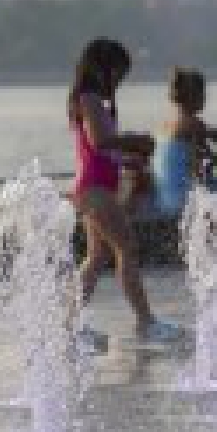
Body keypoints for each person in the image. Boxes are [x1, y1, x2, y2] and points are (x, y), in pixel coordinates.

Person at [69, 38, 179, 351]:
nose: (120, 79)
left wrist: (128, 159)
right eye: (118, 71)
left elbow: (100, 151)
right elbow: (101, 140)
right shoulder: (88, 98)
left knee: (97, 256)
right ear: (103, 67)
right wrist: (136, 141)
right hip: (94, 190)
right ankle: (145, 322)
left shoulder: (92, 100)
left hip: (95, 187)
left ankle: (69, 325)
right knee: (126, 248)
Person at [152, 67, 217, 217]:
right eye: (203, 93)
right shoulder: (194, 124)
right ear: (193, 96)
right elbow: (201, 164)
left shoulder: (163, 126)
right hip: (184, 200)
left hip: (164, 199)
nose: (205, 98)